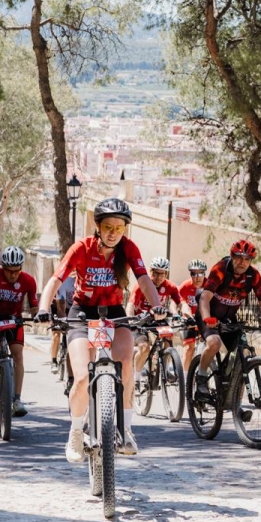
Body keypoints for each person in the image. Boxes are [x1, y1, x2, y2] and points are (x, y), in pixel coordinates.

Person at [39, 198, 166, 462]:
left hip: (114, 313)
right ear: (98, 226)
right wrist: (42, 307)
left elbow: (143, 279)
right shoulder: (81, 248)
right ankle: (75, 432)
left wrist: (157, 306)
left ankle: (126, 429)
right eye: (108, 226)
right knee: (83, 377)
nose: (113, 233)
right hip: (82, 313)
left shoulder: (128, 249)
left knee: (127, 365)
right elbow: (56, 279)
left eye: (119, 228)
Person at [193, 239, 261, 402]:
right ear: (232, 257)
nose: (243, 262)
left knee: (243, 352)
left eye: (247, 259)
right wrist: (207, 318)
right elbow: (205, 297)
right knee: (214, 343)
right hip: (209, 314)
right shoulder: (220, 270)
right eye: (239, 257)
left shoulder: (253, 276)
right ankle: (201, 377)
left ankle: (235, 401)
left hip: (228, 317)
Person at [0, 246, 41, 418]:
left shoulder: (28, 280)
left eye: (16, 271)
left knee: (18, 355)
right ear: (2, 267)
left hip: (13, 319)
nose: (12, 275)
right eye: (9, 271)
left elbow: (34, 306)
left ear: (21, 268)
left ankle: (17, 399)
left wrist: (39, 316)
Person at [128, 256, 181, 381]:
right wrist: (130, 321)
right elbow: (130, 305)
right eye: (156, 273)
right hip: (141, 321)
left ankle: (166, 369)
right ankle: (135, 378)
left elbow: (181, 303)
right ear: (150, 271)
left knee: (169, 336)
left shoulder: (170, 286)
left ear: (166, 274)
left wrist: (185, 315)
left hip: (157, 320)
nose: (159, 277)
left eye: (162, 274)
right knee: (144, 348)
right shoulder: (142, 285)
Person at [177, 259, 207, 373]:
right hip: (190, 321)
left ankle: (204, 376)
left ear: (204, 274)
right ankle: (185, 379)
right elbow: (174, 302)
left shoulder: (209, 285)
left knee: (208, 348)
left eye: (200, 273)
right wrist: (176, 313)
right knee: (189, 348)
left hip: (204, 320)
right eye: (194, 274)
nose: (197, 277)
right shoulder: (185, 286)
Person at [49, 274, 76, 373]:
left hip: (74, 309)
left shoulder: (86, 282)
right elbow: (61, 304)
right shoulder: (65, 281)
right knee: (57, 333)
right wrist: (63, 320)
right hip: (58, 306)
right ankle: (54, 360)